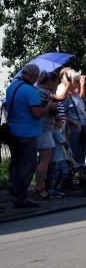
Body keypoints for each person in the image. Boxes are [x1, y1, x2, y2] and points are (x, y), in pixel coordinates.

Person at [5, 64, 57, 208]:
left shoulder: (12, 87)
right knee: (28, 165)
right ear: (33, 75)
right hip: (28, 132)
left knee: (16, 164)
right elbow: (37, 114)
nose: (37, 79)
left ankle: (15, 191)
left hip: (13, 130)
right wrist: (48, 107)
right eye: (36, 76)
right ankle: (21, 198)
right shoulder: (30, 91)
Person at [34, 71, 61, 199]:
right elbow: (53, 108)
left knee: (41, 160)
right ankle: (40, 187)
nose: (57, 85)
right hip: (44, 130)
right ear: (49, 82)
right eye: (56, 82)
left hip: (39, 129)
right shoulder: (45, 94)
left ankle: (39, 186)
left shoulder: (37, 92)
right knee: (45, 161)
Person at [63, 69, 86, 168]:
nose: (79, 83)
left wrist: (82, 84)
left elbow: (83, 98)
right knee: (73, 156)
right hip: (73, 130)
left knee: (81, 156)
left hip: (81, 129)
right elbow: (60, 113)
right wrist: (72, 121)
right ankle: (71, 177)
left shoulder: (76, 95)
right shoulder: (67, 97)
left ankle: (79, 177)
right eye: (77, 81)